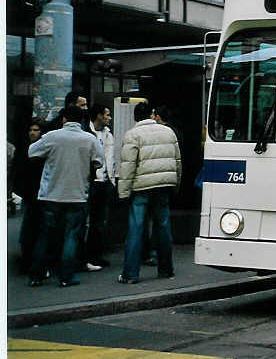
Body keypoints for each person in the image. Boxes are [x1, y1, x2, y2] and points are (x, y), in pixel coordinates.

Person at [27, 105, 103, 287]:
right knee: (71, 236)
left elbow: (32, 152)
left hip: (51, 194)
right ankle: (66, 276)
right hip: (77, 195)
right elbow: (98, 162)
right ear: (82, 120)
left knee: (44, 235)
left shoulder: (52, 136)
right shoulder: (89, 139)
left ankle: (36, 275)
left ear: (64, 119)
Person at [118, 101, 181, 284]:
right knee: (163, 227)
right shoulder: (168, 132)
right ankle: (166, 269)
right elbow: (177, 162)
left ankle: (130, 274)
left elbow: (128, 166)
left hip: (141, 188)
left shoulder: (132, 135)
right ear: (152, 114)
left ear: (135, 117)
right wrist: (175, 184)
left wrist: (123, 192)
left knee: (136, 229)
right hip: (163, 186)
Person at [13, 119, 46, 272]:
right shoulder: (34, 150)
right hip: (33, 192)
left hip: (35, 192)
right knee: (33, 227)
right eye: (31, 130)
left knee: (32, 226)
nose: (32, 133)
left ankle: (30, 259)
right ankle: (31, 260)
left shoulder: (28, 149)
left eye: (36, 130)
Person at [86, 104, 116, 269]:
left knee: (99, 222)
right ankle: (85, 257)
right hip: (91, 182)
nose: (109, 117)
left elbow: (110, 158)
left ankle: (95, 255)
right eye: (107, 114)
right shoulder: (87, 133)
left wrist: (111, 180)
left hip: (105, 182)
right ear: (98, 116)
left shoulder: (108, 135)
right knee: (87, 222)